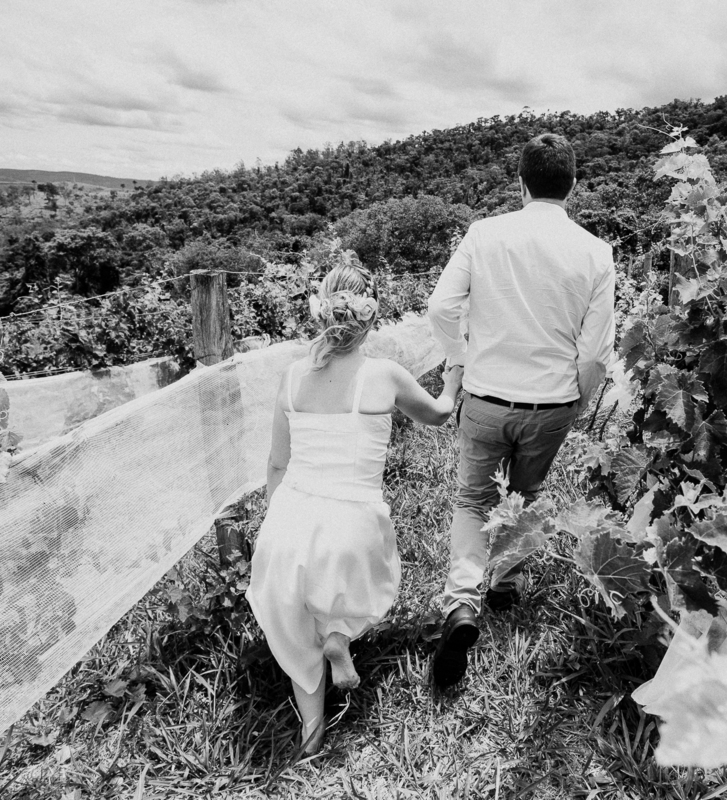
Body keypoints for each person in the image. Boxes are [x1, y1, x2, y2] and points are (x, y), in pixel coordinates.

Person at [246, 261, 463, 754]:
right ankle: (341, 633)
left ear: (319, 312)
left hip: (291, 520)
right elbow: (438, 414)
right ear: (372, 315)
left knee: (296, 620)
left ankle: (311, 733)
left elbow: (277, 463)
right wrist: (452, 379)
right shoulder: (384, 375)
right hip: (353, 523)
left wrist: (274, 524)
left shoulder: (292, 377)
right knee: (359, 579)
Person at [426, 133, 616, 689]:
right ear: (573, 184)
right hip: (552, 401)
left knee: (472, 499)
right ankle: (505, 583)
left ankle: (462, 602)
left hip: (486, 397)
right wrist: (578, 400)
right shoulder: (596, 252)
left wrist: (461, 359)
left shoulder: (485, 234)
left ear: (521, 182)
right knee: (526, 493)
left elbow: (441, 307)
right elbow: (595, 352)